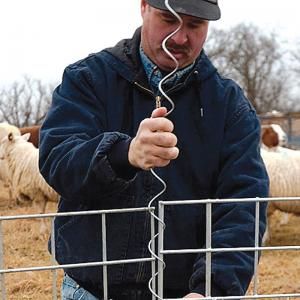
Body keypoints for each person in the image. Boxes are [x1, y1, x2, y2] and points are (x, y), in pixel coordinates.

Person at [39, 0, 269, 299]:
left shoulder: (229, 107)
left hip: (185, 294)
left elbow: (243, 206)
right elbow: (58, 159)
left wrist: (211, 289)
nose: (179, 37)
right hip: (91, 289)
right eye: (167, 18)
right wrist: (124, 155)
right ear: (144, 7)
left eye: (194, 25)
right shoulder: (89, 78)